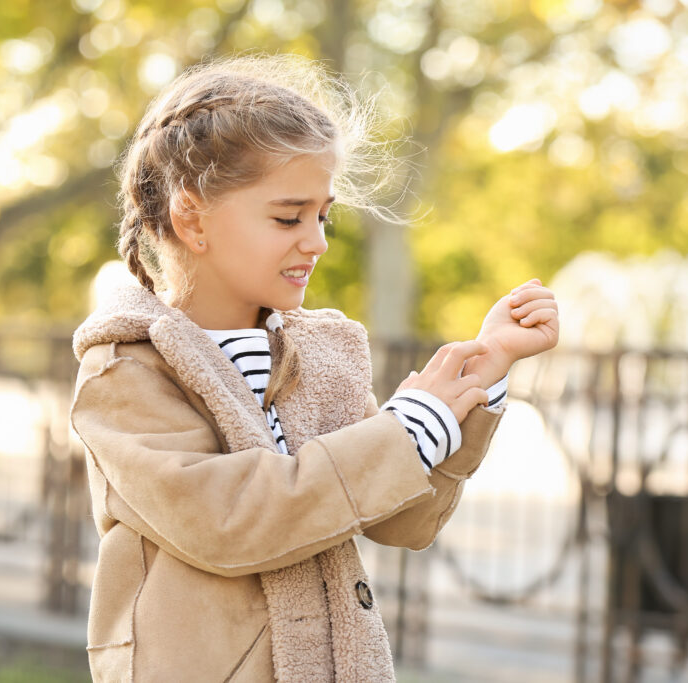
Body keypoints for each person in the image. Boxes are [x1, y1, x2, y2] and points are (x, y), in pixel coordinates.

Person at [70, 54, 560, 682]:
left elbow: (400, 517)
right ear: (191, 217)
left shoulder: (321, 354)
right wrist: (409, 427)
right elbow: (231, 521)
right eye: (287, 216)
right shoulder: (127, 372)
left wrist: (480, 376)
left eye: (322, 215)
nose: (318, 240)